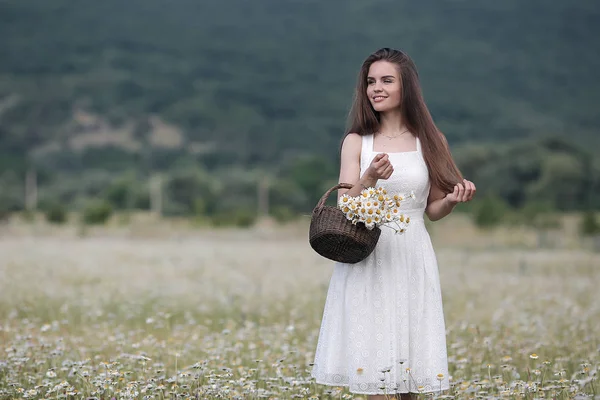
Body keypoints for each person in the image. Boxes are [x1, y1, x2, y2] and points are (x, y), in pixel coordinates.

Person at [310, 48, 476, 400]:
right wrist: (368, 177)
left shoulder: (430, 141)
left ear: (407, 88)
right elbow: (347, 203)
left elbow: (432, 210)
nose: (376, 88)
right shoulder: (357, 141)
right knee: (377, 374)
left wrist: (450, 200)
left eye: (387, 80)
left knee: (410, 380)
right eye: (371, 81)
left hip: (412, 256)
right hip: (368, 257)